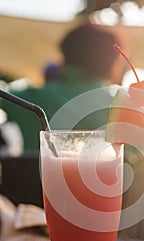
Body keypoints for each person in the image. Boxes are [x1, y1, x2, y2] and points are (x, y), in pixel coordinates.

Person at [1, 23, 126, 152]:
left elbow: (5, 95)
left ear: (65, 57)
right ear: (114, 65)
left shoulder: (29, 98)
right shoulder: (124, 110)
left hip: (33, 172)